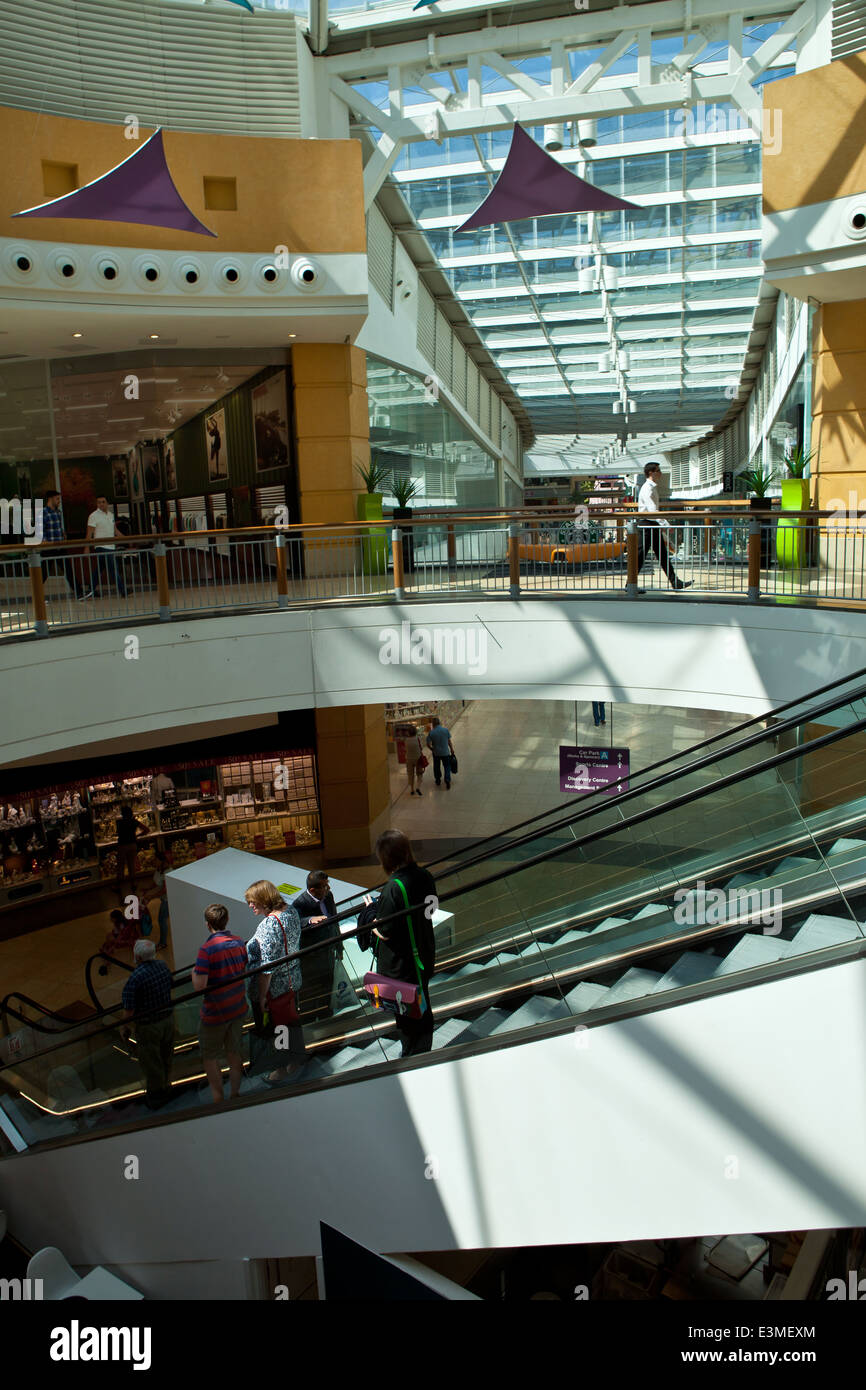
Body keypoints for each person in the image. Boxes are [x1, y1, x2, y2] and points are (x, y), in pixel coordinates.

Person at [364, 829, 437, 1057]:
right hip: (423, 954)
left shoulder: (393, 888)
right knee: (422, 999)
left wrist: (371, 913)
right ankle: (425, 1046)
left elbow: (385, 931)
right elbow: (432, 909)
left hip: (402, 963)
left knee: (405, 1009)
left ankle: (413, 1053)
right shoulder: (425, 876)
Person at [245, 879, 305, 1082]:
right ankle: (294, 1062)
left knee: (276, 1029)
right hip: (292, 979)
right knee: (291, 1022)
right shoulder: (292, 912)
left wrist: (262, 996)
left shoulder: (268, 925)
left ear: (264, 899)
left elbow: (267, 967)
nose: (251, 906)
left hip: (274, 989)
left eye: (253, 902)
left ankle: (279, 1069)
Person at [191, 903, 249, 1104]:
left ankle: (218, 1097)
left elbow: (200, 986)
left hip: (215, 1013)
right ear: (227, 920)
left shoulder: (206, 950)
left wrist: (193, 973)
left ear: (208, 925)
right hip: (238, 1006)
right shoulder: (239, 942)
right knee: (234, 1052)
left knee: (210, 1056)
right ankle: (235, 1093)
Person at [121, 938, 174, 1110]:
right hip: (168, 1019)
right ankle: (168, 1086)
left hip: (148, 1026)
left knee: (152, 1062)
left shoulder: (135, 978)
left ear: (138, 957)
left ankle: (157, 1095)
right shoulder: (163, 967)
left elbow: (129, 1010)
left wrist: (125, 1028)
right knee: (167, 1055)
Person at [635, 462, 692, 592]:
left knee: (662, 554)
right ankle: (630, 584)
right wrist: (665, 525)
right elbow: (652, 510)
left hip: (651, 524)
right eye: (658, 470)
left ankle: (675, 582)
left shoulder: (651, 487)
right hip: (647, 524)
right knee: (641, 556)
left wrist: (663, 524)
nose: (660, 473)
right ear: (651, 473)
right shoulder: (648, 488)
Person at [292, 870, 341, 1021]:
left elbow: (334, 920)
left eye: (328, 885)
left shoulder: (328, 897)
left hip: (328, 952)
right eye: (325, 887)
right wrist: (309, 920)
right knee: (313, 990)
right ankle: (312, 1020)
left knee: (328, 985)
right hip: (313, 959)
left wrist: (339, 945)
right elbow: (294, 923)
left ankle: (327, 1016)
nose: (328, 889)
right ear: (313, 890)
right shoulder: (300, 903)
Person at [40, 490, 91, 599]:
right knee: (44, 574)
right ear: (50, 499)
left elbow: (58, 527)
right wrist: (44, 542)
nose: (59, 501)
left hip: (60, 547)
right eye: (57, 499)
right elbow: (41, 530)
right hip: (49, 548)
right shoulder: (43, 512)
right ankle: (37, 595)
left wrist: (63, 534)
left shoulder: (58, 513)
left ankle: (79, 593)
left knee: (68, 570)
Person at [85, 495, 126, 597]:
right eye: (99, 502)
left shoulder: (111, 515)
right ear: (97, 504)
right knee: (113, 568)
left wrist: (125, 538)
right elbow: (89, 533)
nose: (101, 504)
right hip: (101, 546)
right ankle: (123, 590)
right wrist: (86, 547)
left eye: (103, 502)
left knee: (99, 568)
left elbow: (114, 530)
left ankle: (91, 589)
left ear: (107, 503)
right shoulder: (93, 516)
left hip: (111, 546)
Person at [115, 804, 148, 899]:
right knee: (131, 866)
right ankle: (133, 884)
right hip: (132, 845)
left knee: (120, 866)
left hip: (122, 845)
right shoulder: (134, 821)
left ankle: (118, 886)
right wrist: (138, 836)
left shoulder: (119, 822)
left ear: (122, 814)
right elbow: (146, 829)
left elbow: (118, 833)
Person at [426, 716, 455, 789]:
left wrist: (431, 749)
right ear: (439, 722)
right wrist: (451, 749)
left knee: (436, 766)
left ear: (433, 724)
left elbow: (428, 744)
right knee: (447, 766)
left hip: (436, 753)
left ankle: (438, 780)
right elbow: (449, 741)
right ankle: (447, 780)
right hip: (445, 752)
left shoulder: (431, 732)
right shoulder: (445, 730)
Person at [151, 850, 171, 951]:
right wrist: (147, 889)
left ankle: (163, 943)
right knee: (162, 919)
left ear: (160, 860)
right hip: (164, 899)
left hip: (168, 900)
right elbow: (155, 884)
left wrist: (151, 897)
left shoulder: (167, 871)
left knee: (161, 920)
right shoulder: (159, 869)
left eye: (155, 859)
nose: (153, 861)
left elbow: (164, 890)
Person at [403, 724, 425, 797]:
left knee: (410, 774)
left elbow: (405, 749)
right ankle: (418, 787)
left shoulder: (406, 740)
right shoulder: (417, 739)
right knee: (419, 774)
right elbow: (421, 748)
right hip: (417, 758)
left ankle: (412, 789)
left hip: (409, 759)